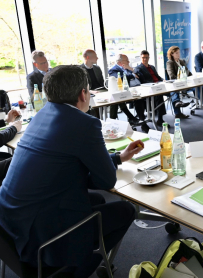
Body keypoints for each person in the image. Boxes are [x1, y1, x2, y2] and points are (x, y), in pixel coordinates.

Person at [0, 65, 142, 277]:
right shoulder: (85, 124)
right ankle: (78, 267)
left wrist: (117, 158)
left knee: (97, 201)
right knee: (127, 210)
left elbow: (65, 166)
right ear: (83, 94)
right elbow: (106, 182)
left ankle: (85, 256)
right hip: (39, 238)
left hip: (10, 223)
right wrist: (106, 163)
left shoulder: (42, 114)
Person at [167, 46, 203, 114]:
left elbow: (188, 72)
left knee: (200, 86)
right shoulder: (170, 62)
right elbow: (172, 76)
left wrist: (193, 76)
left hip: (187, 83)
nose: (178, 54)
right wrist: (183, 78)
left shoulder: (181, 61)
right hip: (179, 84)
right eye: (176, 53)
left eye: (179, 52)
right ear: (172, 54)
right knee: (198, 87)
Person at [108, 54, 142, 126]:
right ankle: (132, 118)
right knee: (116, 99)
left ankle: (112, 122)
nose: (128, 62)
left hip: (131, 91)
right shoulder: (113, 69)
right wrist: (132, 75)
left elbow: (139, 74)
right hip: (121, 93)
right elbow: (120, 78)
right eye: (127, 60)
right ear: (120, 62)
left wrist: (131, 69)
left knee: (139, 98)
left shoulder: (127, 68)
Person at [79, 49, 105, 118]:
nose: (97, 58)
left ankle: (111, 119)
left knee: (114, 97)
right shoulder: (80, 70)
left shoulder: (97, 68)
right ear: (88, 57)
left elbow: (102, 83)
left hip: (100, 91)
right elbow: (80, 86)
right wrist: (90, 91)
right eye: (95, 56)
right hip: (89, 94)